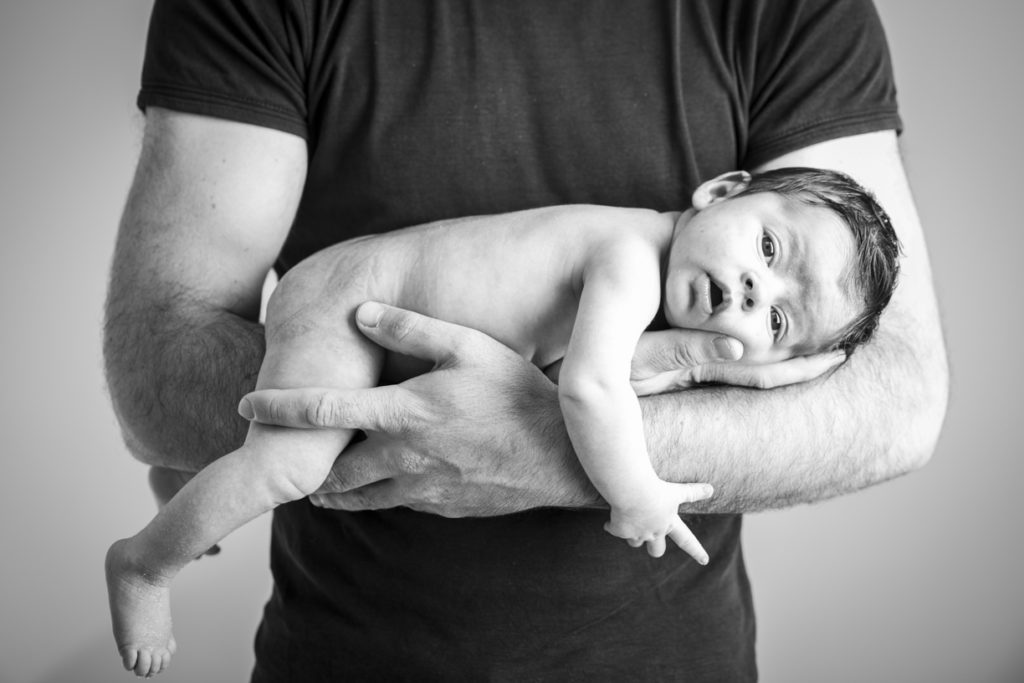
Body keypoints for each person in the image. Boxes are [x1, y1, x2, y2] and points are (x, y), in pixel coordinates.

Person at [104, 1, 947, 679]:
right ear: (722, 189)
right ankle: (144, 562)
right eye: (766, 249)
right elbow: (585, 393)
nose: (756, 290)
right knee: (289, 462)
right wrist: (637, 492)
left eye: (776, 323)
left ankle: (177, 479)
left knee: (262, 452)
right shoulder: (629, 262)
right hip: (349, 306)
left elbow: (894, 401)